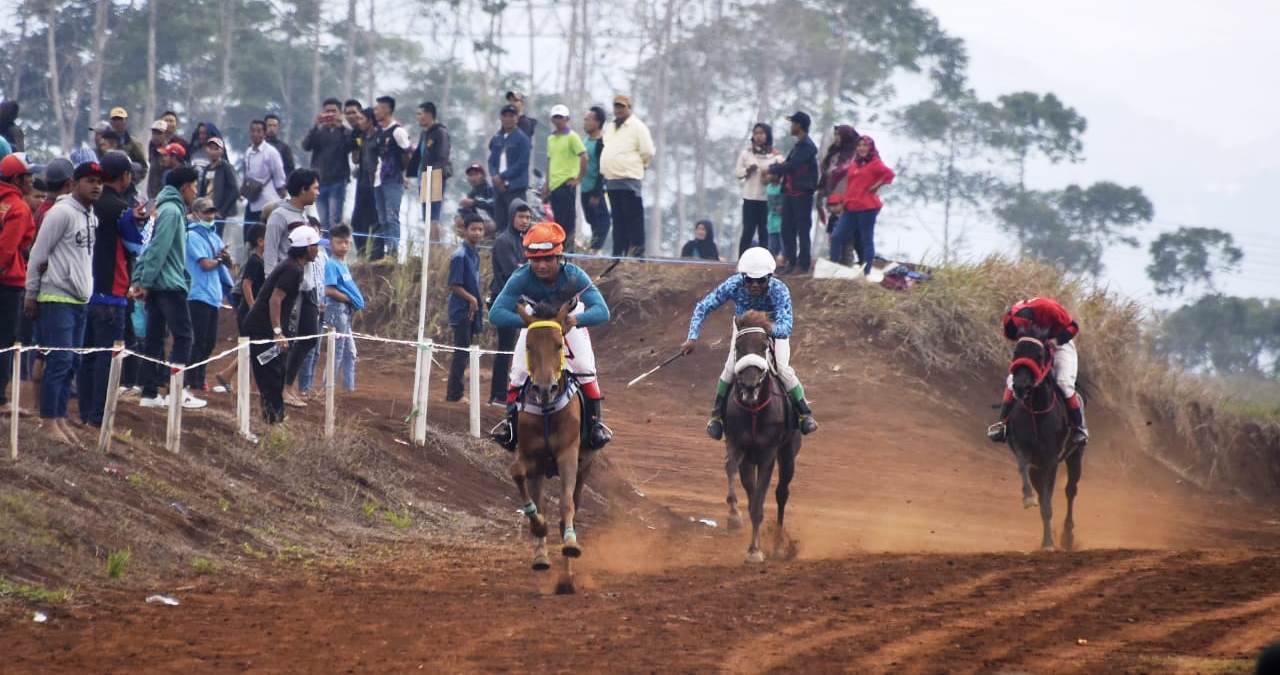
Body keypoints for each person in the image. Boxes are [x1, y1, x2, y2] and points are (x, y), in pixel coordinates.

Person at [488, 221, 612, 450]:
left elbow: (602, 311)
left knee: (584, 367)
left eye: (548, 259)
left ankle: (596, 426)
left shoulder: (575, 275)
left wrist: (575, 320)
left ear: (559, 257)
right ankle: (510, 427)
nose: (542, 265)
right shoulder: (521, 277)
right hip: (536, 324)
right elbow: (496, 313)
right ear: (528, 259)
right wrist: (533, 324)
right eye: (536, 260)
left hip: (569, 320)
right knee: (518, 373)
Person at [682, 246, 818, 438]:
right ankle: (716, 417)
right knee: (730, 367)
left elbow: (786, 327)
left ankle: (804, 413)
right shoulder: (733, 284)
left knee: (781, 367)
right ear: (743, 277)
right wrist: (692, 337)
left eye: (761, 280)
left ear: (769, 277)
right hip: (744, 329)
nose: (754, 285)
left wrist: (768, 329)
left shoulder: (779, 290)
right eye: (749, 280)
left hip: (771, 329)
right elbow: (703, 307)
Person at [24, 161, 103, 445]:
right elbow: (38, 254)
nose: (96, 186)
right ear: (74, 183)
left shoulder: (91, 217)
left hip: (79, 298)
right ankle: (47, 421)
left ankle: (59, 417)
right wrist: (32, 293)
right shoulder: (60, 213)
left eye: (99, 181)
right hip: (55, 296)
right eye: (90, 180)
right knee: (59, 360)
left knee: (72, 363)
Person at [130, 166, 207, 410]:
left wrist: (141, 279)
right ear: (184, 187)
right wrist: (145, 282)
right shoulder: (173, 211)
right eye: (194, 186)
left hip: (157, 285)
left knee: (154, 338)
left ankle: (150, 393)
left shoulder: (159, 209)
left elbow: (146, 246)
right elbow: (158, 248)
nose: (196, 191)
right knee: (184, 337)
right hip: (168, 285)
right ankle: (177, 391)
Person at [79, 151, 145, 427]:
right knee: (107, 358)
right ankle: (98, 418)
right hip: (113, 295)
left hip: (85, 289)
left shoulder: (87, 205)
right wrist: (141, 222)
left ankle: (84, 414)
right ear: (126, 176)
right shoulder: (121, 209)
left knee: (88, 358)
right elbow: (136, 247)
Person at [241, 225, 320, 424]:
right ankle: (273, 423)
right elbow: (275, 299)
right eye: (316, 246)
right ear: (307, 248)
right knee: (270, 375)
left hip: (267, 328)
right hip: (262, 329)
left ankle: (274, 419)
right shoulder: (292, 269)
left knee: (276, 372)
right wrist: (278, 332)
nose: (318, 250)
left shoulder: (294, 266)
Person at [987, 297, 1089, 449]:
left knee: (1064, 383)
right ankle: (1003, 424)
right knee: (1012, 380)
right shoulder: (1014, 317)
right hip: (1034, 344)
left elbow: (1073, 327)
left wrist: (1055, 340)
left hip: (1061, 343)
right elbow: (1012, 335)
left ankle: (1079, 429)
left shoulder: (1049, 309)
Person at [0, 154, 36, 415]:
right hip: (8, 282)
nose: (32, 182)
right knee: (5, 340)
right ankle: (1, 399)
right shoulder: (19, 208)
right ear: (16, 179)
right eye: (28, 177)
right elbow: (7, 249)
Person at [184, 197, 232, 392]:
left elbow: (224, 262)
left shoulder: (214, 236)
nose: (210, 215)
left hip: (213, 294)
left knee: (209, 341)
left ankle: (199, 378)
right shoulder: (192, 236)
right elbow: (205, 264)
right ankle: (190, 379)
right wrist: (221, 259)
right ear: (195, 213)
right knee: (198, 340)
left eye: (212, 212)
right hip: (196, 293)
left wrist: (224, 259)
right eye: (206, 212)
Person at [212, 223, 266, 393]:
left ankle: (229, 375)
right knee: (253, 347)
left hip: (251, 310)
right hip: (249, 311)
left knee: (252, 347)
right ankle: (251, 386)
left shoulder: (261, 259)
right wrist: (253, 308)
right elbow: (246, 285)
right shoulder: (254, 261)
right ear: (260, 241)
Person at [487, 199, 531, 405]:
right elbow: (512, 272)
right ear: (512, 217)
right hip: (504, 301)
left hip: (519, 302)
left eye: (528, 217)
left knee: (516, 349)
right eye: (521, 216)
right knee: (505, 348)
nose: (525, 221)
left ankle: (514, 392)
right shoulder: (504, 241)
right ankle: (498, 395)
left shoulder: (523, 241)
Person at [601, 94, 655, 257]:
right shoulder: (610, 126)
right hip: (612, 181)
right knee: (618, 221)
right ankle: (618, 254)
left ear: (629, 108)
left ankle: (637, 255)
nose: (618, 110)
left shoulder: (637, 126)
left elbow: (648, 151)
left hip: (629, 180)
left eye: (621, 107)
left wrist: (639, 166)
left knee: (633, 220)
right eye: (616, 106)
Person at [765, 111, 818, 275]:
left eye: (793, 123)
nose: (791, 127)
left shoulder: (808, 147)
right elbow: (789, 164)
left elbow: (792, 165)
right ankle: (791, 261)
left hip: (802, 194)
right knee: (787, 228)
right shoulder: (798, 146)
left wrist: (772, 168)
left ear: (799, 125)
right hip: (789, 193)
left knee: (802, 230)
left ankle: (803, 264)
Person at [835, 135, 895, 275]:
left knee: (866, 238)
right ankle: (834, 266)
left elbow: (889, 174)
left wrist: (877, 185)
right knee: (837, 235)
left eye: (865, 145)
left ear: (870, 148)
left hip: (867, 206)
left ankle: (866, 271)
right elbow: (850, 184)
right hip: (851, 206)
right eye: (859, 145)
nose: (861, 148)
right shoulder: (855, 163)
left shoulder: (875, 163)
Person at [446, 216, 486, 402]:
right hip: (461, 310)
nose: (477, 233)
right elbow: (454, 285)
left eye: (480, 229)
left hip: (470, 310)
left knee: (465, 352)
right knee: (461, 353)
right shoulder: (460, 255)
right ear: (465, 230)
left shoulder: (474, 253)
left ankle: (457, 392)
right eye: (473, 229)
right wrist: (471, 299)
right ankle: (454, 394)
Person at [370, 96, 413, 261]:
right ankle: (386, 251)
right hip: (379, 179)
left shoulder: (398, 131)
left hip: (393, 179)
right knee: (382, 218)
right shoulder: (380, 131)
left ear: (387, 109)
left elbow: (408, 153)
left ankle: (394, 252)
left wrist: (406, 175)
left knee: (392, 216)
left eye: (378, 108)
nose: (376, 112)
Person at [322, 224, 363, 392]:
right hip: (336, 310)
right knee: (336, 352)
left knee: (350, 352)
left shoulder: (342, 264)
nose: (344, 246)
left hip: (345, 311)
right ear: (331, 243)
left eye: (346, 242)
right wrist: (350, 298)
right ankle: (327, 390)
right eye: (340, 242)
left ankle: (349, 390)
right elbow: (328, 289)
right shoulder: (331, 264)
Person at [542, 104, 587, 252]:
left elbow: (584, 156)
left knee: (568, 222)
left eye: (560, 117)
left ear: (567, 119)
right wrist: (547, 184)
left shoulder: (572, 137)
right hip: (554, 185)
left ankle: (568, 252)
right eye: (555, 117)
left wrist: (578, 179)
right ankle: (559, 250)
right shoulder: (551, 139)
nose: (558, 120)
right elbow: (550, 161)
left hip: (567, 184)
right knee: (557, 221)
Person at [302, 98, 352, 230]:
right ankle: (329, 251)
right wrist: (315, 126)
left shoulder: (344, 132)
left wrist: (341, 126)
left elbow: (351, 145)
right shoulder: (319, 131)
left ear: (340, 113)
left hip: (338, 181)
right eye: (327, 111)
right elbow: (306, 146)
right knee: (323, 222)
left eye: (333, 111)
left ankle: (337, 249)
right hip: (319, 183)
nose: (330, 114)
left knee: (335, 220)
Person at [735, 123, 781, 255]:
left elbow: (782, 172)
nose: (759, 136)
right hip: (750, 197)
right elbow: (738, 173)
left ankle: (764, 262)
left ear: (767, 135)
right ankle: (742, 260)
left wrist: (771, 176)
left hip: (766, 199)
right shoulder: (746, 153)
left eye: (762, 133)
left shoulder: (775, 155)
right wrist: (748, 170)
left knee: (763, 231)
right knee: (748, 231)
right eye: (756, 133)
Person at [487, 104, 531, 235]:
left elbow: (522, 163)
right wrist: (495, 176)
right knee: (500, 223)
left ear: (517, 118)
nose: (508, 119)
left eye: (511, 116)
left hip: (515, 187)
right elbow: (491, 161)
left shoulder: (522, 138)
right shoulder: (496, 138)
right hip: (498, 187)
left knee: (518, 222)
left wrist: (503, 177)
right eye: (505, 116)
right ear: (500, 118)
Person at [407, 101, 451, 225]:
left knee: (433, 216)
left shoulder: (440, 132)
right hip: (424, 176)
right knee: (426, 215)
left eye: (420, 114)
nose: (418, 117)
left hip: (435, 175)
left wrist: (433, 175)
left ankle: (434, 244)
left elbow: (443, 156)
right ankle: (428, 243)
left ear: (429, 114)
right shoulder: (424, 133)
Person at [242, 119, 287, 231]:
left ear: (264, 133)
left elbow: (279, 175)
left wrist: (283, 194)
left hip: (268, 200)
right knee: (249, 233)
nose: (255, 134)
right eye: (252, 131)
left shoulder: (271, 152)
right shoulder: (248, 152)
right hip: (252, 199)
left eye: (259, 131)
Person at [817, 124, 859, 243]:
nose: (836, 138)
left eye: (839, 135)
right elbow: (826, 173)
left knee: (847, 234)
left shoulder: (855, 156)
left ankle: (846, 259)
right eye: (835, 135)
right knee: (833, 232)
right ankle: (834, 258)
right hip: (833, 198)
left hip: (848, 200)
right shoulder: (833, 154)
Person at [580, 106, 611, 252]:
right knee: (591, 220)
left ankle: (595, 249)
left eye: (588, 120)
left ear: (598, 123)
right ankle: (593, 248)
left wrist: (597, 193)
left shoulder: (602, 143)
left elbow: (602, 169)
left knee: (603, 221)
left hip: (594, 189)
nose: (585, 122)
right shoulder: (584, 141)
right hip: (584, 187)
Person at [196, 136, 238, 237]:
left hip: (218, 212)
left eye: (216, 149)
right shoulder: (206, 169)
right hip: (205, 210)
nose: (213, 152)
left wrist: (222, 211)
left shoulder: (226, 168)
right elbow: (202, 190)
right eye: (211, 148)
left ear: (222, 151)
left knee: (216, 237)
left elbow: (234, 190)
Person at [350, 107, 378, 255]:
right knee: (357, 221)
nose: (358, 122)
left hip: (376, 184)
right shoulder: (361, 136)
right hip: (362, 182)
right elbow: (355, 158)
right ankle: (361, 253)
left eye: (361, 119)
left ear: (370, 121)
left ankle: (376, 254)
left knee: (375, 220)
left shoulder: (378, 137)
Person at [108, 107, 148, 177]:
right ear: (111, 122)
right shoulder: (104, 141)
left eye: (121, 119)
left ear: (126, 121)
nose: (118, 122)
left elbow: (143, 166)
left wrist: (133, 181)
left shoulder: (134, 143)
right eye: (115, 119)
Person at [146, 119, 173, 199]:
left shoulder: (169, 151)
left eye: (159, 133)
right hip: (151, 192)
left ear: (166, 134)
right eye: (154, 133)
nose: (156, 136)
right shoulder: (152, 147)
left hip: (163, 194)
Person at [764, 171, 784, 258]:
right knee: (772, 245)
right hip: (771, 220)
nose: (769, 176)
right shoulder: (767, 188)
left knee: (783, 243)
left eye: (771, 174)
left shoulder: (782, 188)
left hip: (782, 221)